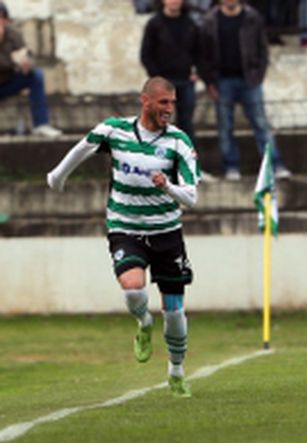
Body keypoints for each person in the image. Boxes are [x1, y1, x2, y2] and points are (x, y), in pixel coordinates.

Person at [46, 77, 198, 398]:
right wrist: (58, 176)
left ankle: (176, 371)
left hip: (166, 232)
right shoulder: (115, 130)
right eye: (163, 102)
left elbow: (192, 197)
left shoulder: (179, 142)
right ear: (145, 101)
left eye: (172, 103)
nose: (169, 109)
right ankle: (144, 323)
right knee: (132, 288)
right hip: (125, 227)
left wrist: (167, 186)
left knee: (174, 312)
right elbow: (83, 147)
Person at [198, 0, 290, 181]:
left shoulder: (252, 17)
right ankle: (231, 166)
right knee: (225, 127)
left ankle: (275, 164)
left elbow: (262, 48)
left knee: (261, 124)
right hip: (222, 81)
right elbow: (203, 54)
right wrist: (209, 81)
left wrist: (259, 75)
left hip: (249, 80)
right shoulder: (210, 21)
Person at [141, 0, 202, 148]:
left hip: (185, 81)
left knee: (186, 123)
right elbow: (146, 54)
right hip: (163, 82)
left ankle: (187, 157)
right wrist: (157, 78)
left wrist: (197, 71)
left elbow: (200, 51)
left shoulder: (190, 24)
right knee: (158, 122)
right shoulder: (154, 24)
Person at [0, 2, 61, 137]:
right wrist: (11, 61)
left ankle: (41, 124)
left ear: (5, 20)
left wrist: (26, 62)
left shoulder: (13, 34)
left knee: (36, 75)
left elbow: (27, 55)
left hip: (7, 83)